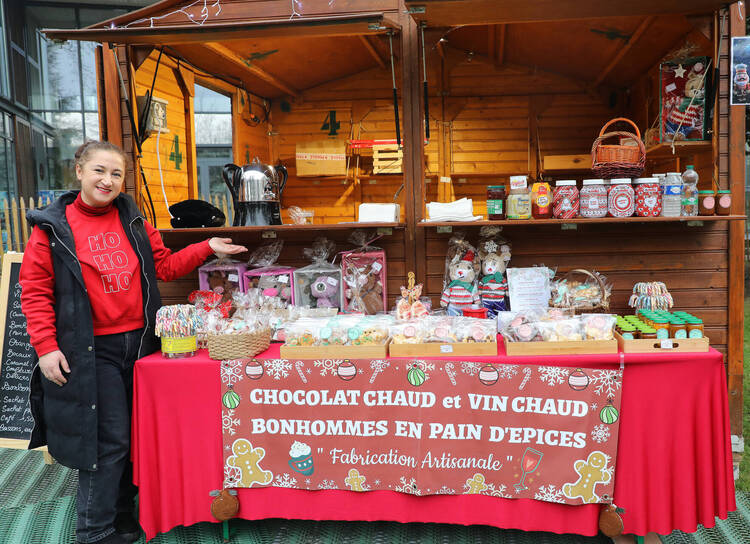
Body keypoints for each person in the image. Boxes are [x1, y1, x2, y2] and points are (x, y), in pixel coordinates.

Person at [19, 140, 247, 544]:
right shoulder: (51, 229)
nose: (107, 181)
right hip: (91, 350)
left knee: (132, 437)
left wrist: (206, 247)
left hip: (141, 347)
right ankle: (94, 531)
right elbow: (35, 291)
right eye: (99, 171)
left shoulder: (133, 221)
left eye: (116, 174)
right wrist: (46, 347)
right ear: (79, 171)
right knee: (108, 441)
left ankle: (122, 516)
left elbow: (164, 266)